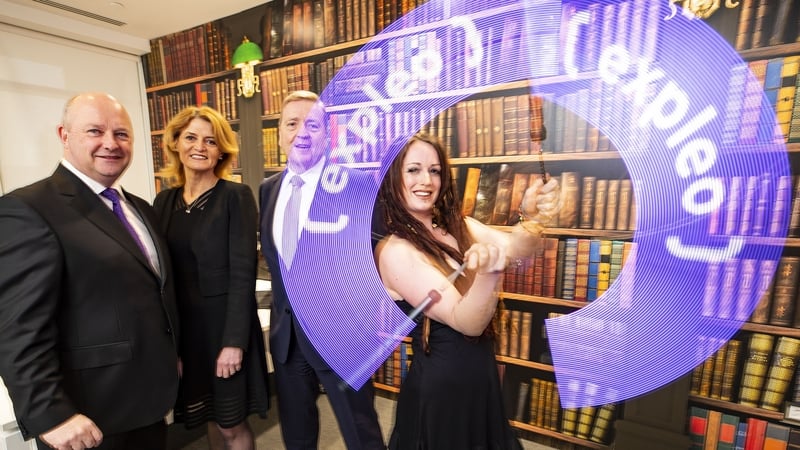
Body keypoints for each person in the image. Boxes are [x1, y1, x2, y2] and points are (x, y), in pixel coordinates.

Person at [0, 92, 180, 450]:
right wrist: (51, 414)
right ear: (64, 135)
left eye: (122, 134)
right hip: (86, 418)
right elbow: (17, 327)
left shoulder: (141, 208)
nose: (110, 144)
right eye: (95, 131)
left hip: (147, 402)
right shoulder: (27, 209)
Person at [374, 132, 560, 450]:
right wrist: (490, 273)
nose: (426, 180)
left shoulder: (463, 226)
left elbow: (519, 248)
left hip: (481, 378)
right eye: (413, 169)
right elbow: (466, 320)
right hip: (441, 391)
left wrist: (531, 215)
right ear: (394, 177)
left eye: (434, 170)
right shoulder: (395, 251)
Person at [258, 90, 385, 449]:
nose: (302, 132)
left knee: (362, 434)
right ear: (280, 133)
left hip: (341, 339)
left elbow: (376, 263)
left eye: (312, 124)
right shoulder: (267, 190)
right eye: (292, 123)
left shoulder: (356, 186)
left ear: (328, 134)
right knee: (297, 438)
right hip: (287, 340)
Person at [152, 106, 270, 450]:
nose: (199, 147)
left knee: (232, 423)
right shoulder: (163, 201)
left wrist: (233, 343)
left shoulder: (235, 196)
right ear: (175, 143)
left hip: (223, 332)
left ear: (221, 150)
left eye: (210, 140)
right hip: (186, 333)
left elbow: (242, 274)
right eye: (190, 137)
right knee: (208, 416)